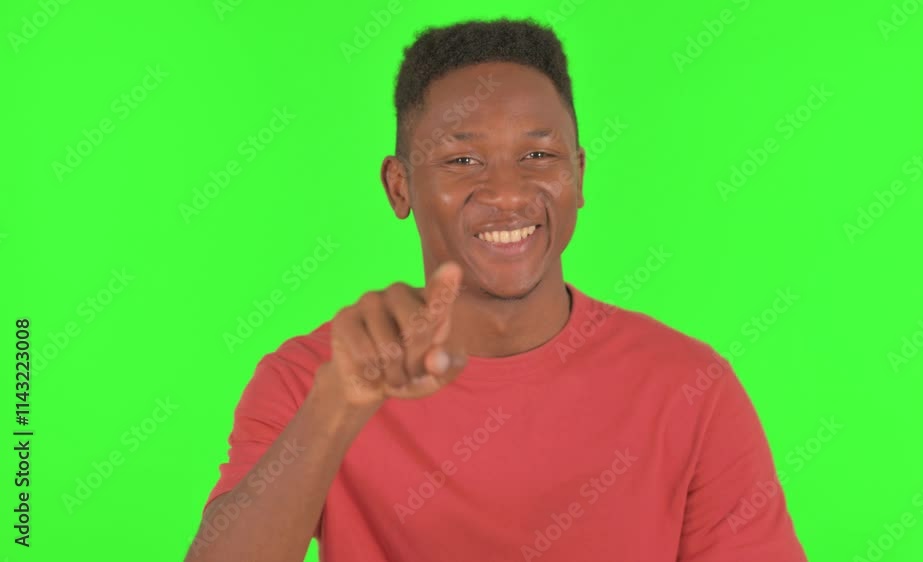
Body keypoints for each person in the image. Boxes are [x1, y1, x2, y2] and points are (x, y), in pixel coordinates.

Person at [186, 18, 808, 562]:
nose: (508, 192)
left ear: (579, 174)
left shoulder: (690, 387)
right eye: (462, 161)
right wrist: (335, 410)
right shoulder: (308, 381)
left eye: (539, 156)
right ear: (400, 187)